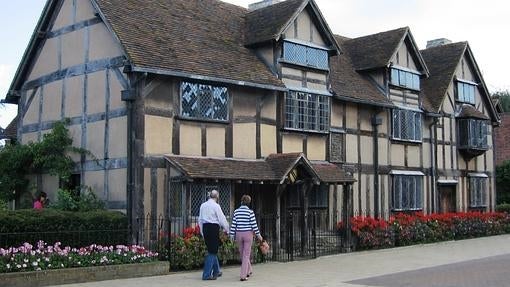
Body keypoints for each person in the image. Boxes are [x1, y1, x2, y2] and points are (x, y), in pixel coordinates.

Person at [230, 195, 263, 282]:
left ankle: (249, 270)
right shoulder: (250, 212)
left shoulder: (236, 212)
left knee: (242, 254)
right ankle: (243, 275)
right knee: (246, 255)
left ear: (241, 201)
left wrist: (231, 236)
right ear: (248, 203)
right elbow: (254, 225)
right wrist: (259, 235)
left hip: (239, 234)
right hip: (248, 234)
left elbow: (233, 224)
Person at [198, 189, 229, 280]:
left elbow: (200, 219)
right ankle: (206, 275)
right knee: (212, 251)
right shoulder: (216, 206)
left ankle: (217, 270)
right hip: (213, 228)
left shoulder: (203, 205)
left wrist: (202, 231)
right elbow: (221, 218)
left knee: (212, 249)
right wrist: (227, 229)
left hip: (205, 227)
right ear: (217, 197)